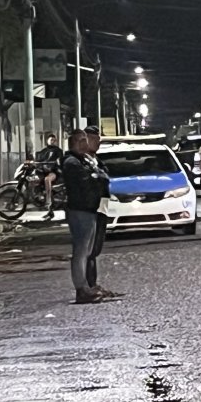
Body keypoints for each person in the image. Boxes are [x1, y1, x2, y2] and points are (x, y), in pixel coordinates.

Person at [62, 128, 116, 304]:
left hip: (89, 209)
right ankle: (82, 288)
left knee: (87, 251)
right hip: (80, 210)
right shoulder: (72, 162)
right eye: (84, 140)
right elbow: (88, 181)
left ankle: (87, 286)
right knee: (81, 251)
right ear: (77, 142)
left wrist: (98, 176)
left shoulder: (82, 160)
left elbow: (102, 176)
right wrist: (96, 177)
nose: (87, 144)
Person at [37, 133, 65, 221]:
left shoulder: (58, 151)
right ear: (47, 140)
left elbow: (60, 161)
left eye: (53, 140)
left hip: (54, 172)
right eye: (50, 140)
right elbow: (38, 160)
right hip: (43, 172)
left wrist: (54, 165)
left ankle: (48, 200)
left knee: (47, 179)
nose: (52, 141)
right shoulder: (43, 151)